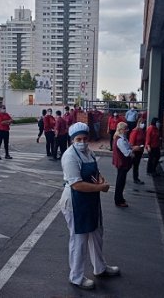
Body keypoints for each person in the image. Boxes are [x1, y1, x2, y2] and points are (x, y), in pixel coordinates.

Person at [60, 122, 120, 290]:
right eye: (78, 139)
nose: (82, 142)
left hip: (90, 200)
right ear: (72, 140)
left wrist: (100, 179)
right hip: (75, 201)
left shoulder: (89, 152)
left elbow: (95, 172)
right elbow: (77, 185)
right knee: (79, 240)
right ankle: (76, 277)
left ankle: (100, 268)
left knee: (96, 234)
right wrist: (100, 188)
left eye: (85, 139)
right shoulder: (69, 156)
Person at [112, 122, 142, 207]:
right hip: (122, 163)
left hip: (122, 163)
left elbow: (127, 147)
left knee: (121, 181)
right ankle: (118, 200)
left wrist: (131, 147)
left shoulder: (121, 138)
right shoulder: (120, 140)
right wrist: (134, 149)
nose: (127, 130)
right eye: (126, 129)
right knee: (120, 182)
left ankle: (120, 198)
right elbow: (126, 153)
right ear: (121, 130)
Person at [129, 118, 146, 184]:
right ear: (138, 123)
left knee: (136, 165)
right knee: (132, 165)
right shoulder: (135, 131)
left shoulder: (142, 131)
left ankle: (135, 178)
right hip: (135, 150)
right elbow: (131, 142)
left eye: (144, 123)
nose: (143, 124)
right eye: (142, 123)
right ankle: (135, 179)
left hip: (140, 150)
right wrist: (132, 150)